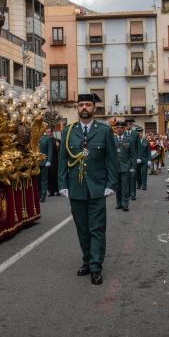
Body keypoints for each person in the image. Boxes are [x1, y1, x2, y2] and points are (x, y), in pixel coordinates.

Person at [58, 94, 117, 286]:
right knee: (82, 229)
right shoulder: (68, 131)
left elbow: (111, 160)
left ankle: (95, 266)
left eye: (88, 104)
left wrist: (110, 184)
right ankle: (87, 260)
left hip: (97, 187)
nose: (84, 107)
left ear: (94, 108)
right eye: (81, 104)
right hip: (76, 188)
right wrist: (62, 184)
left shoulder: (104, 131)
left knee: (97, 229)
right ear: (77, 107)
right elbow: (62, 161)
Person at [112, 120, 135, 212]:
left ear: (124, 128)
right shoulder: (112, 139)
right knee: (117, 187)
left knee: (125, 187)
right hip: (115, 167)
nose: (120, 129)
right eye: (118, 128)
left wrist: (133, 167)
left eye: (121, 128)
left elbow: (133, 155)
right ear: (115, 129)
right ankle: (119, 203)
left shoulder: (129, 139)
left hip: (126, 167)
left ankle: (125, 204)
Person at [38, 128, 55, 202]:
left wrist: (49, 161)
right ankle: (38, 195)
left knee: (44, 180)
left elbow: (50, 150)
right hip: (36, 163)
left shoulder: (47, 138)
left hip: (45, 162)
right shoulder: (36, 138)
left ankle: (43, 196)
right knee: (38, 180)